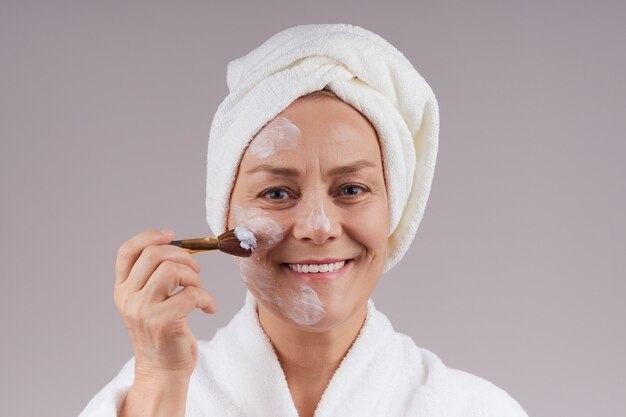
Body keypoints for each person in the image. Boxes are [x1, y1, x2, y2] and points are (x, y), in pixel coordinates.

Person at [79, 24, 529, 417]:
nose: (317, 226)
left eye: (351, 190)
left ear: (394, 210)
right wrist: (160, 380)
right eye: (277, 193)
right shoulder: (143, 400)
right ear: (225, 216)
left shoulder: (473, 409)